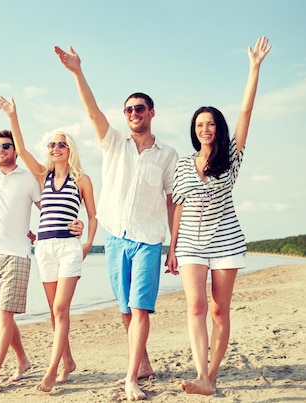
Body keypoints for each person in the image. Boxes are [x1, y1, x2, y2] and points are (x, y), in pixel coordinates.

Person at [55, 46, 179, 401]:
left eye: (139, 108)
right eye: (128, 110)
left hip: (149, 239)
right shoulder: (113, 143)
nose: (133, 114)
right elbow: (92, 112)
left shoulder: (167, 154)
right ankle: (142, 364)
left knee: (140, 307)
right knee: (125, 309)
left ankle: (130, 378)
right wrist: (78, 72)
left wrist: (174, 245)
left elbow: (172, 200)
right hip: (115, 237)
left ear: (151, 113)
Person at [165, 36, 272, 396]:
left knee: (218, 311)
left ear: (217, 128)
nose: (205, 129)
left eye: (210, 124)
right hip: (192, 242)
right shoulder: (182, 165)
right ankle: (201, 375)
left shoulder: (231, 157)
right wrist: (172, 247)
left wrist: (253, 68)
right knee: (195, 306)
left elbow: (245, 113)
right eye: (199, 125)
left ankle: (212, 373)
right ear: (194, 130)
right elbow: (177, 204)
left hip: (226, 240)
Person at [0, 95, 83, 393]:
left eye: (5, 146)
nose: (0, 151)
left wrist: (74, 226)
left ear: (14, 149)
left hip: (18, 256)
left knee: (5, 316)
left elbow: (51, 207)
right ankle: (26, 358)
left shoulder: (30, 178)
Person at [0, 95, 97, 393]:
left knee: (62, 308)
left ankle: (51, 371)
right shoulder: (42, 175)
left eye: (61, 144)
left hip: (68, 249)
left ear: (70, 150)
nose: (55, 148)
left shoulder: (82, 179)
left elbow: (92, 215)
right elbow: (22, 149)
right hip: (44, 249)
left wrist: (88, 242)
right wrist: (13, 116)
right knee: (54, 311)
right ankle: (68, 361)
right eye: (52, 144)